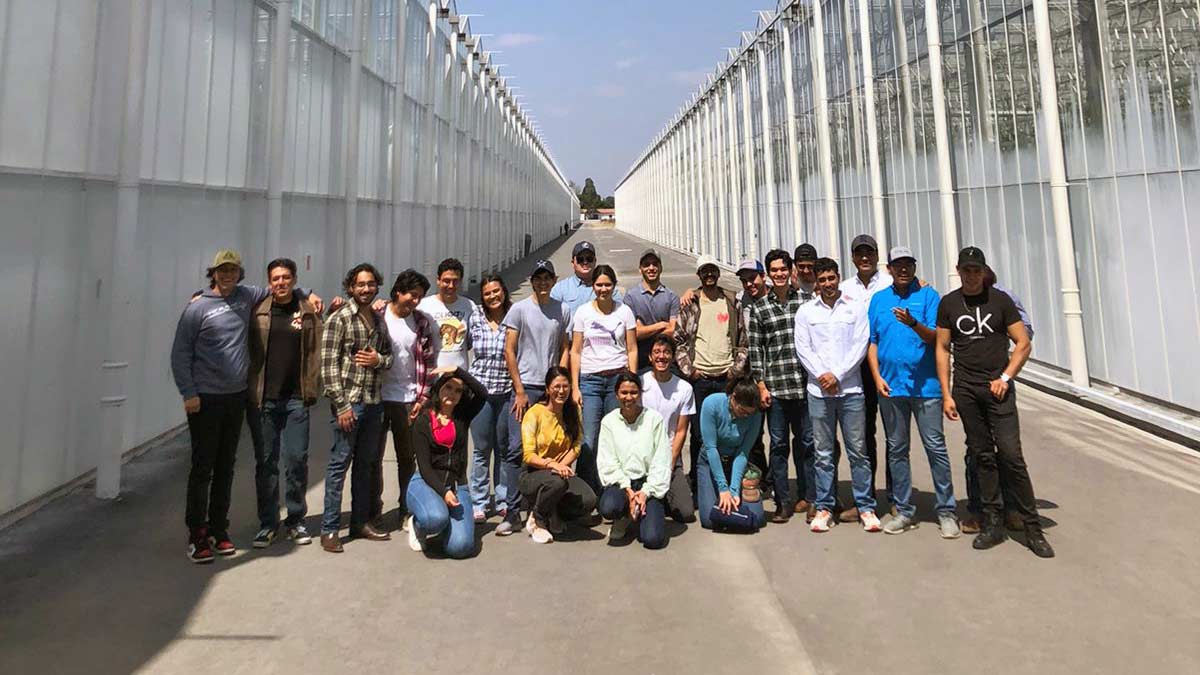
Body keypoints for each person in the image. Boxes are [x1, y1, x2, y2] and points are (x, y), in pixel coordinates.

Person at [171, 249, 322, 563]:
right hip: (206, 399)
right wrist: (189, 392)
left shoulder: (245, 296)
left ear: (240, 274)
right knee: (203, 468)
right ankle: (197, 534)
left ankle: (218, 529)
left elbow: (284, 287)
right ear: (213, 273)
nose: (227, 276)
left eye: (233, 271)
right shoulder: (197, 308)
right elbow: (180, 354)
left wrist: (311, 292)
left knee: (226, 466)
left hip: (237, 397)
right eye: (222, 271)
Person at [936, 247, 1054, 558]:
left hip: (998, 389)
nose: (972, 276)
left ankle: (1032, 528)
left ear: (984, 272)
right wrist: (947, 394)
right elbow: (943, 347)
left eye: (976, 270)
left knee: (1011, 455)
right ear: (959, 271)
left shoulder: (999, 300)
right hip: (966, 390)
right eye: (966, 270)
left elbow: (1023, 343)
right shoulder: (949, 303)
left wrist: (1006, 377)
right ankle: (992, 523)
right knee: (982, 456)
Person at [866, 247, 959, 538]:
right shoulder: (879, 300)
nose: (904, 269)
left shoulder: (930, 297)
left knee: (936, 449)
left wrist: (913, 323)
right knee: (897, 450)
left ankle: (946, 511)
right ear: (889, 269)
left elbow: (937, 338)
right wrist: (877, 377)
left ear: (915, 266)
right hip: (892, 388)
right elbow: (873, 342)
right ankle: (904, 510)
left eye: (909, 264)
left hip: (926, 387)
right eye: (898, 265)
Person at [794, 258, 878, 533]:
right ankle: (824, 507)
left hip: (850, 390)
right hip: (818, 392)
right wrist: (822, 375)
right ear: (815, 283)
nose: (828, 284)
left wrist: (838, 375)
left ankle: (865, 506)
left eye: (832, 278)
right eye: (823, 279)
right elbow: (803, 348)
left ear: (838, 278)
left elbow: (860, 344)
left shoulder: (854, 308)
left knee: (858, 451)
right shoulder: (806, 312)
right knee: (823, 453)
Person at [245, 258, 322, 548]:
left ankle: (295, 520)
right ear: (269, 281)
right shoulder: (258, 311)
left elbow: (317, 348)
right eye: (275, 278)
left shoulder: (307, 310)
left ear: (294, 279)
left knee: (296, 460)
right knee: (266, 463)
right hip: (264, 399)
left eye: (286, 277)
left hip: (296, 399)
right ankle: (267, 523)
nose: (281, 282)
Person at [319, 263, 392, 553]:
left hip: (374, 403)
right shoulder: (340, 319)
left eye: (370, 284)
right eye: (360, 284)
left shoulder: (378, 318)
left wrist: (379, 361)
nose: (365, 289)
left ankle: (360, 522)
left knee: (365, 466)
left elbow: (388, 357)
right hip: (350, 405)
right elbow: (328, 365)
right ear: (351, 287)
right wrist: (342, 405)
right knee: (339, 466)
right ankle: (329, 529)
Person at [499, 259, 570, 535]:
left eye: (547, 278)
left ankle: (544, 510)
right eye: (538, 278)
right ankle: (513, 510)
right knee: (517, 448)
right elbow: (509, 350)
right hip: (526, 387)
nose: (543, 283)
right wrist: (518, 390)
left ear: (554, 281)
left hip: (550, 388)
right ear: (532, 280)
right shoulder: (519, 309)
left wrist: (560, 380)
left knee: (552, 449)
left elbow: (565, 347)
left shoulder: (562, 309)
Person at [675, 255, 748, 496]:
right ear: (698, 275)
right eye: (704, 271)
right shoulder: (690, 304)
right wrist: (690, 371)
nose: (709, 275)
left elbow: (742, 340)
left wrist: (735, 370)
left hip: (726, 378)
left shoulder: (730, 302)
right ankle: (699, 484)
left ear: (718, 273)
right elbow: (679, 341)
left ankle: (725, 482)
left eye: (712, 271)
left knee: (728, 432)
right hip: (701, 379)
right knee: (699, 435)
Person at [372, 270, 439, 530]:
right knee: (372, 457)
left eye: (420, 297)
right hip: (378, 396)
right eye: (412, 295)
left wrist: (423, 398)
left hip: (410, 398)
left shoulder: (421, 322)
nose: (415, 301)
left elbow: (429, 362)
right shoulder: (378, 315)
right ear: (398, 291)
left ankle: (405, 509)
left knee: (407, 458)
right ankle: (373, 510)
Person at [748, 249, 809, 524]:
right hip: (776, 388)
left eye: (783, 269)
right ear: (767, 275)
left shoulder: (806, 302)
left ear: (790, 270)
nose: (779, 274)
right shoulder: (760, 307)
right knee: (779, 445)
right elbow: (756, 351)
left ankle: (808, 497)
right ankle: (783, 501)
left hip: (804, 385)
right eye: (774, 271)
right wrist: (761, 385)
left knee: (807, 444)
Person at [405, 367, 489, 558]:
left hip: (457, 486)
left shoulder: (462, 416)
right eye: (448, 387)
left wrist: (458, 371)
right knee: (435, 518)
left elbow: (482, 393)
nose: (452, 393)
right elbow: (425, 467)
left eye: (458, 390)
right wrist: (443, 493)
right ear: (439, 389)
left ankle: (447, 527)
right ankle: (418, 524)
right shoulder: (423, 420)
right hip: (426, 483)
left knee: (461, 547)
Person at [570, 264, 638, 496]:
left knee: (615, 435)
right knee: (589, 438)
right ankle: (585, 490)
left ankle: (611, 488)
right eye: (599, 285)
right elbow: (576, 351)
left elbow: (632, 348)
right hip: (590, 381)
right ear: (593, 286)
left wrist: (632, 381)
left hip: (616, 380)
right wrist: (575, 387)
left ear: (614, 286)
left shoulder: (624, 312)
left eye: (607, 284)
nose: (603, 289)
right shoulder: (582, 313)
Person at [842, 234, 894, 522]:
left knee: (894, 435)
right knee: (862, 436)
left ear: (876, 255)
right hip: (856, 368)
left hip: (885, 366)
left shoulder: (889, 283)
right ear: (852, 257)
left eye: (869, 253)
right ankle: (867, 498)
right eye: (859, 253)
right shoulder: (844, 288)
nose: (864, 258)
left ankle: (897, 497)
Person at [518, 367, 597, 544]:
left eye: (565, 386)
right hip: (534, 473)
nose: (561, 391)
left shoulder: (573, 410)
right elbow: (528, 455)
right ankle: (537, 518)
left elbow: (577, 444)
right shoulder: (535, 413)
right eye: (556, 386)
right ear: (547, 389)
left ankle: (553, 510)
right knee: (557, 482)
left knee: (589, 500)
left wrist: (563, 464)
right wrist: (553, 465)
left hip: (561, 470)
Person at [597, 372, 672, 548]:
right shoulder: (609, 422)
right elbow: (607, 462)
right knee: (609, 507)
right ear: (616, 395)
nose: (628, 397)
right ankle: (623, 517)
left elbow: (661, 461)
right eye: (624, 393)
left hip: (648, 483)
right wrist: (629, 491)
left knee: (652, 539)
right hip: (623, 485)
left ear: (640, 394)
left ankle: (642, 515)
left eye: (633, 392)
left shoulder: (654, 419)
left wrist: (645, 492)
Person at [467, 274, 514, 522]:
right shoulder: (474, 316)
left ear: (503, 291)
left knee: (504, 448)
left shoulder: (515, 315)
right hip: (481, 392)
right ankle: (480, 501)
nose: (493, 296)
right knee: (482, 449)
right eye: (487, 293)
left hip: (507, 390)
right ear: (482, 297)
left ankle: (503, 499)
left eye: (496, 291)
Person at [695, 377, 766, 532]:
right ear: (733, 397)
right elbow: (711, 448)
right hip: (710, 461)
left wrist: (733, 491)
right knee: (708, 519)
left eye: (749, 413)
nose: (745, 416)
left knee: (758, 518)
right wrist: (723, 489)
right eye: (742, 411)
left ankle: (731, 517)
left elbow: (743, 452)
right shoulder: (711, 404)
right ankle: (735, 518)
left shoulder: (755, 416)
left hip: (737, 460)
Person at [640, 337, 696, 523]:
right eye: (657, 352)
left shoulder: (684, 388)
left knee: (686, 512)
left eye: (666, 353)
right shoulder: (640, 384)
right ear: (649, 357)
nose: (661, 357)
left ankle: (665, 496)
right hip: (643, 455)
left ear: (672, 357)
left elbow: (681, 431)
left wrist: (670, 463)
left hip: (669, 454)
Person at [622, 248, 680, 374]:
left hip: (665, 359)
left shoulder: (672, 297)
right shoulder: (631, 297)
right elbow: (632, 334)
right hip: (641, 360)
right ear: (640, 269)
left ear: (661, 268)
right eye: (646, 264)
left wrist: (644, 329)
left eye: (655, 264)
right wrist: (661, 325)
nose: (651, 268)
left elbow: (673, 330)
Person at [418, 258, 478, 370]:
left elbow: (472, 341)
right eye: (446, 281)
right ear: (438, 280)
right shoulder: (423, 306)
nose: (451, 286)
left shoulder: (469, 306)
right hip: (433, 375)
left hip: (460, 375)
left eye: (455, 281)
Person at [551, 240, 624, 318]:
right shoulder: (560, 289)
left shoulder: (609, 290)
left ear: (595, 261)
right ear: (573, 263)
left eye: (589, 258)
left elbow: (619, 315)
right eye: (580, 259)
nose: (585, 262)